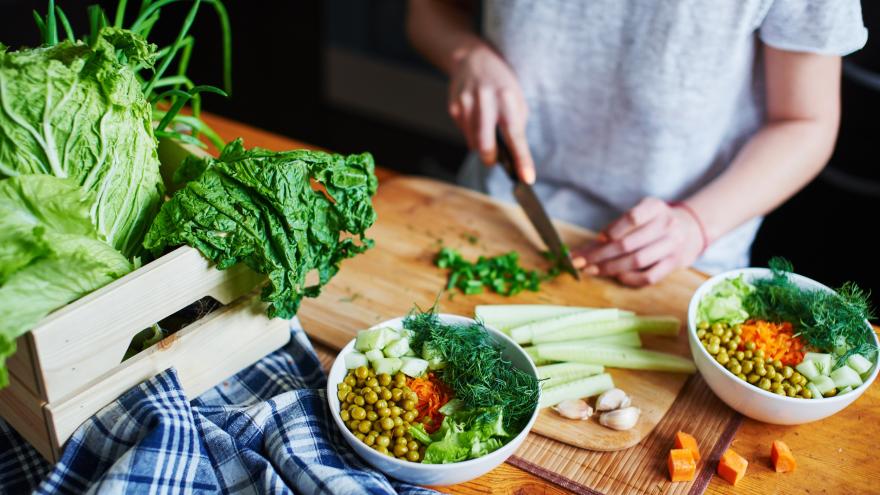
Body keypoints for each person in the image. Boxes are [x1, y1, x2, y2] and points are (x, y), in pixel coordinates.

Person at [406, 0, 867, 286]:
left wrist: (693, 225)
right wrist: (465, 54)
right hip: (492, 216)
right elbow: (428, 12)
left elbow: (805, 122)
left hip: (678, 262)